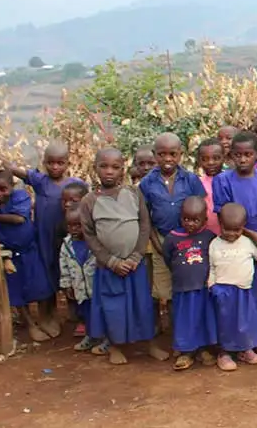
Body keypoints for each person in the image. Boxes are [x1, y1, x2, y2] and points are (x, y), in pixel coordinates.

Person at [80, 148, 169, 365]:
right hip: (109, 267)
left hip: (135, 264)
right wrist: (111, 261)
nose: (109, 172)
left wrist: (136, 256)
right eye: (104, 166)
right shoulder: (89, 201)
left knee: (142, 305)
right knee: (113, 307)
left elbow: (144, 224)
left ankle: (148, 344)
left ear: (123, 170)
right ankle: (116, 346)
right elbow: (90, 236)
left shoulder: (133, 193)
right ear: (95, 169)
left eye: (115, 167)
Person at [0, 142, 83, 339]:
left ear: (68, 162)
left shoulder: (77, 185)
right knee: (47, 277)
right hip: (43, 239)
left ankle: (76, 315)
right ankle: (48, 315)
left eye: (60, 163)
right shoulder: (41, 181)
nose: (55, 167)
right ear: (44, 163)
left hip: (68, 238)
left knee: (72, 274)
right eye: (50, 163)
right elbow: (15, 170)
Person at [212, 131, 257, 354]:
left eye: (248, 154)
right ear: (230, 156)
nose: (242, 160)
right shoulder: (223, 180)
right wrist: (251, 236)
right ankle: (247, 340)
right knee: (244, 289)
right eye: (237, 155)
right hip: (238, 240)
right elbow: (224, 215)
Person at [140, 133, 208, 330]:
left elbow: (200, 208)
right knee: (163, 289)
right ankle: (173, 331)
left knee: (188, 282)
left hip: (188, 240)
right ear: (154, 155)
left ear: (181, 155)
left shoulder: (190, 180)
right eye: (162, 154)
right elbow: (146, 218)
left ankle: (191, 328)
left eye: (172, 154)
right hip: (161, 239)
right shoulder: (147, 183)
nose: (167, 159)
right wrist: (157, 243)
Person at [0, 171, 57, 342]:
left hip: (30, 250)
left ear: (12, 186)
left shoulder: (21, 196)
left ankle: (43, 319)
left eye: (3, 189)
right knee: (17, 291)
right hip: (9, 255)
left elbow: (19, 219)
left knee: (42, 285)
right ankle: (30, 325)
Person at [208, 203, 257, 371]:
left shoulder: (247, 242)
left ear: (243, 227)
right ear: (220, 224)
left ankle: (245, 350)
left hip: (243, 290)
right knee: (225, 323)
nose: (232, 234)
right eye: (228, 229)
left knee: (245, 322)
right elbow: (212, 267)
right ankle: (224, 353)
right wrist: (212, 286)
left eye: (237, 230)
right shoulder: (214, 244)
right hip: (222, 291)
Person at [163, 197, 219, 371]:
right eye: (186, 219)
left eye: (195, 220)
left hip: (203, 288)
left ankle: (202, 350)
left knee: (202, 319)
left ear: (205, 219)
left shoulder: (209, 237)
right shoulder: (173, 237)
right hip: (183, 288)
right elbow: (168, 258)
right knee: (184, 320)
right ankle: (186, 352)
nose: (190, 224)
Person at [59, 209, 103, 352]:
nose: (74, 229)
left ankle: (106, 339)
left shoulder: (96, 242)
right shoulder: (67, 245)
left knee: (101, 312)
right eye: (70, 226)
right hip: (80, 288)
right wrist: (67, 285)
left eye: (78, 225)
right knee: (86, 313)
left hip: (96, 287)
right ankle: (91, 336)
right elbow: (64, 265)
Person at [196, 139, 225, 234]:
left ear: (223, 158)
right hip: (205, 235)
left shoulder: (230, 180)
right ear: (199, 161)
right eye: (205, 159)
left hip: (229, 233)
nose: (211, 162)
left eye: (216, 158)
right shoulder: (197, 183)